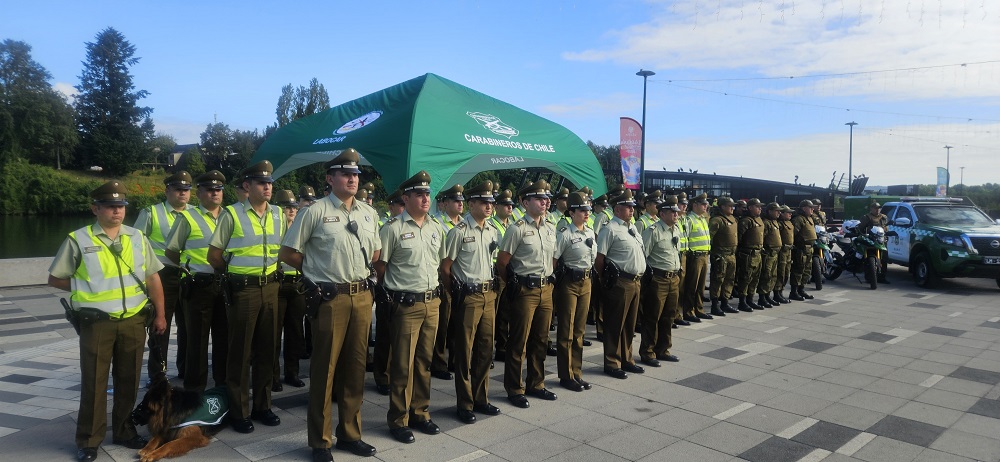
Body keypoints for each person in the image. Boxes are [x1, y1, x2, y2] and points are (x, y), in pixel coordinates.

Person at [48, 181, 167, 462]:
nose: (117, 211)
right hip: (97, 323)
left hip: (133, 321)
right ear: (95, 209)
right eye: (111, 206)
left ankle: (125, 431)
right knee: (95, 382)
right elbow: (56, 277)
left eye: (121, 206)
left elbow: (152, 277)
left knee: (129, 380)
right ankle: (89, 440)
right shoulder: (79, 239)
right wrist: (86, 293)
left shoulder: (137, 237)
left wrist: (160, 313)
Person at [279, 149, 381, 460]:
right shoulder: (315, 212)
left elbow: (375, 253)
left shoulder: (368, 213)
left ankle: (350, 434)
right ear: (330, 178)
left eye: (356, 174)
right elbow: (288, 252)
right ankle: (320, 441)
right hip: (330, 298)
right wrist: (316, 271)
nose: (353, 178)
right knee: (324, 373)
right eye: (345, 173)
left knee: (355, 370)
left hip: (362, 296)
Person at [208, 160, 284, 434]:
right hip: (245, 290)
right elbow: (214, 255)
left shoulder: (277, 213)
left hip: (272, 287)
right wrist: (234, 276)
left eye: (270, 183)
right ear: (247, 186)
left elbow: (283, 250)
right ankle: (238, 411)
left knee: (268, 350)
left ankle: (262, 406)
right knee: (240, 352)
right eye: (262, 183)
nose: (267, 187)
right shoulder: (232, 214)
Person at [376, 171, 444, 444]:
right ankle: (398, 419)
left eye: (427, 194)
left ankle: (420, 412)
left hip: (432, 302)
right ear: (406, 198)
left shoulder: (435, 227)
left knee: (424, 363)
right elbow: (380, 266)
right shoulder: (393, 228)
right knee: (402, 365)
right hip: (405, 305)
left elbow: (439, 262)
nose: (425, 198)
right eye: (419, 194)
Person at [441, 181, 502, 424]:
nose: (489, 206)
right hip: (468, 295)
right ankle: (464, 403)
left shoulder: (492, 230)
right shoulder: (458, 232)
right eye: (484, 202)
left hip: (489, 294)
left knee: (486, 350)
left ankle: (481, 398)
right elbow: (446, 268)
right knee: (464, 352)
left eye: (491, 202)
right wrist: (455, 293)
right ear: (472, 204)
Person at [163, 170, 228, 392]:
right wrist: (189, 268)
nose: (215, 193)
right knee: (196, 341)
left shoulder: (230, 216)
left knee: (223, 339)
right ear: (199, 193)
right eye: (210, 190)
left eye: (218, 190)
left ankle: (222, 386)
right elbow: (172, 252)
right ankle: (194, 389)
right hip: (198, 286)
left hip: (224, 284)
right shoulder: (187, 218)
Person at [496, 180, 558, 408]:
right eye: (539, 198)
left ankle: (537, 383)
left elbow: (553, 258)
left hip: (546, 289)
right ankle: (514, 387)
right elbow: (503, 262)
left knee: (541, 340)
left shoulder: (550, 227)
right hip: (525, 289)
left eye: (546, 198)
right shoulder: (517, 228)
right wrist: (515, 285)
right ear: (525, 202)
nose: (545, 202)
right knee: (518, 342)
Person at [134, 171, 193, 384]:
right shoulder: (151, 213)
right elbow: (135, 246)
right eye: (178, 189)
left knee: (188, 326)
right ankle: (158, 374)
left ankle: (186, 369)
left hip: (189, 276)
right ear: (167, 191)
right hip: (162, 275)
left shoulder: (195, 214)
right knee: (160, 326)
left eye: (186, 190)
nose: (183, 193)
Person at [595, 189, 646, 380]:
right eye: (627, 207)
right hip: (620, 282)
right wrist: (605, 279)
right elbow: (599, 258)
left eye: (632, 206)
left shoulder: (631, 228)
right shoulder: (609, 229)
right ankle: (612, 362)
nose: (632, 210)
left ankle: (627, 359)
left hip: (635, 281)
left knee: (629, 325)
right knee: (615, 324)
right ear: (617, 209)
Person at [553, 192, 597, 392]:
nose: (586, 213)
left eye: (588, 209)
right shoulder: (565, 234)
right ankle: (566, 375)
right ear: (572, 212)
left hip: (586, 282)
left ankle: (577, 372)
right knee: (566, 331)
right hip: (569, 283)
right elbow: (554, 260)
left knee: (579, 331)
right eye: (582, 210)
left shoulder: (589, 232)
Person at [639, 195, 683, 367]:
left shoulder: (676, 229)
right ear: (662, 213)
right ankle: (647, 352)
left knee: (668, 316)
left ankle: (663, 349)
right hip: (658, 279)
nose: (676, 215)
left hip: (673, 278)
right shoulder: (653, 231)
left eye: (676, 212)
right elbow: (643, 255)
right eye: (672, 212)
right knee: (652, 316)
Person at [272, 190, 306, 392]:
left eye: (294, 206)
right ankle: (273, 375)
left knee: (295, 331)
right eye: (287, 207)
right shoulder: (275, 229)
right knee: (274, 333)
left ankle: (292, 372)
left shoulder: (301, 228)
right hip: (279, 282)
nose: (291, 210)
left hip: (298, 283)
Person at [372, 190, 405, 396]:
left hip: (405, 290)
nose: (402, 209)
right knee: (385, 335)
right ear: (392, 207)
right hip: (388, 288)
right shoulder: (389, 228)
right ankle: (382, 376)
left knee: (399, 338)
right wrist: (384, 285)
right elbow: (380, 264)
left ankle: (395, 372)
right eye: (399, 205)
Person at [431, 183, 465, 380]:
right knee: (442, 323)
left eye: (461, 200)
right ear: (444, 204)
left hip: (460, 279)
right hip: (443, 277)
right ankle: (439, 363)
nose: (460, 204)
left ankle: (454, 359)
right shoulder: (437, 224)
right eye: (455, 200)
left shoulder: (464, 223)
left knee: (457, 323)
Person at [492, 189, 515, 362]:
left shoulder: (512, 225)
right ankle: (495, 347)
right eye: (505, 205)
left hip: (510, 271)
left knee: (506, 312)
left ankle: (503, 345)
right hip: (496, 272)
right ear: (497, 206)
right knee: (495, 313)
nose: (509, 208)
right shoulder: (492, 225)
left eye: (511, 205)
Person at [682, 193, 712, 319]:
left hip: (704, 256)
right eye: (703, 204)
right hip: (695, 257)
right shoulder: (690, 219)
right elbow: (686, 238)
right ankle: (689, 311)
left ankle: (699, 309)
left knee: (701, 286)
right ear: (695, 205)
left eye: (706, 204)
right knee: (692, 285)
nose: (706, 206)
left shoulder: (702, 219)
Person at [709, 197, 740, 314]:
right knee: (718, 280)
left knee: (729, 280)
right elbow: (709, 238)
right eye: (729, 205)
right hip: (720, 255)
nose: (732, 208)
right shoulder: (716, 220)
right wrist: (713, 253)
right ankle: (715, 304)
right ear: (722, 206)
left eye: (733, 206)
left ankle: (725, 302)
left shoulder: (733, 219)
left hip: (731, 255)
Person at [735, 199, 765, 312]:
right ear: (750, 207)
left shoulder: (759, 220)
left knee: (755, 278)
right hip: (748, 254)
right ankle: (742, 302)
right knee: (745, 278)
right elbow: (739, 237)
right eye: (757, 207)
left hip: (758, 253)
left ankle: (750, 299)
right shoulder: (746, 221)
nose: (760, 209)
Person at [788, 200, 817, 301]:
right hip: (801, 249)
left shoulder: (809, 219)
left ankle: (801, 289)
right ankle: (794, 292)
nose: (813, 209)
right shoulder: (798, 219)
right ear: (804, 208)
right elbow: (793, 234)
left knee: (807, 270)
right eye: (810, 207)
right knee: (798, 270)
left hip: (810, 249)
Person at [757, 202, 784, 308]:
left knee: (773, 275)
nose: (779, 213)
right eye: (777, 211)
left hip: (775, 253)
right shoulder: (766, 223)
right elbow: (762, 238)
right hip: (768, 253)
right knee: (766, 275)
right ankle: (762, 297)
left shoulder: (775, 222)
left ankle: (768, 295)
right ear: (770, 211)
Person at [857, 201, 890, 283]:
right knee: (868, 259)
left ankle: (882, 277)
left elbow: (886, 227)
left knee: (884, 259)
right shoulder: (866, 217)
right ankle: (869, 277)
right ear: (871, 209)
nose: (877, 210)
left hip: (881, 240)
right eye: (875, 208)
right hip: (870, 240)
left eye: (879, 208)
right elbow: (861, 228)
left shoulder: (884, 217)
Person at [774, 205, 795, 303]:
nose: (790, 214)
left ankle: (781, 291)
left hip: (788, 251)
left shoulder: (789, 223)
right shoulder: (779, 224)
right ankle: (777, 293)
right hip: (782, 251)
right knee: (780, 272)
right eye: (788, 212)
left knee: (787, 272)